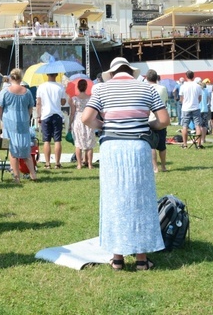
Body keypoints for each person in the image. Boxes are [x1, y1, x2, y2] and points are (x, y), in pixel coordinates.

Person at [81, 57, 169, 271]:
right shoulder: (146, 88)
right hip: (138, 147)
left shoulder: (101, 89)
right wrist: (145, 124)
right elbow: (164, 120)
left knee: (114, 200)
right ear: (131, 71)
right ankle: (141, 258)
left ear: (112, 73)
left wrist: (104, 125)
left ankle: (117, 257)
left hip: (112, 149)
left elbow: (86, 118)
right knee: (141, 199)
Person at [0, 68, 37, 181]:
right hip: (23, 122)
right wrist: (26, 118)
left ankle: (16, 176)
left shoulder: (5, 91)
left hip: (9, 123)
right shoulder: (27, 92)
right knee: (26, 148)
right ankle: (33, 174)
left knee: (12, 150)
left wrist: (1, 118)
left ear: (10, 77)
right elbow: (30, 108)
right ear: (21, 78)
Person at [36, 72, 66, 168]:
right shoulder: (60, 87)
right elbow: (63, 102)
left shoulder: (41, 87)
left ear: (47, 75)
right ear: (56, 75)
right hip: (57, 114)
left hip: (45, 115)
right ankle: (57, 163)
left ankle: (47, 163)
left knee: (46, 140)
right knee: (57, 140)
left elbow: (39, 103)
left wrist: (38, 116)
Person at [69, 78, 96, 169]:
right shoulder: (90, 98)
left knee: (78, 143)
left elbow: (72, 113)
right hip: (88, 118)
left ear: (78, 87)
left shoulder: (74, 99)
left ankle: (79, 164)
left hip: (78, 119)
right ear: (86, 87)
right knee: (89, 143)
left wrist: (69, 124)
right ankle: (90, 164)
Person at [145, 70, 168, 172]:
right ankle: (163, 166)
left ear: (147, 78)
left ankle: (155, 167)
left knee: (151, 145)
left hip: (149, 119)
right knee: (162, 146)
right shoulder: (163, 88)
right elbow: (165, 101)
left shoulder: (146, 88)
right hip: (161, 119)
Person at [178, 71, 202, 148]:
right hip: (195, 107)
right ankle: (199, 144)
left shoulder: (183, 86)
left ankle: (185, 144)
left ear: (186, 76)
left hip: (186, 108)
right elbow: (199, 98)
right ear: (193, 76)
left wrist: (184, 102)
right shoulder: (198, 86)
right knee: (197, 125)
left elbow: (181, 99)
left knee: (185, 126)